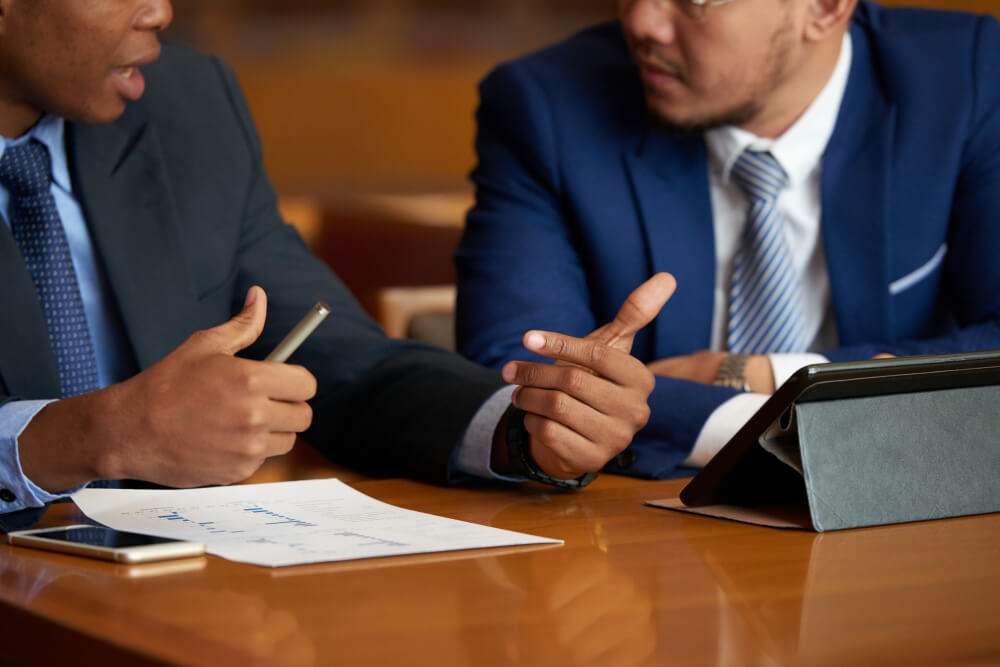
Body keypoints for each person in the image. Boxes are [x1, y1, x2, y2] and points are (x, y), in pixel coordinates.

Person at [0, 0, 675, 532]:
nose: (161, 10)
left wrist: (526, 427)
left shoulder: (186, 104)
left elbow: (349, 363)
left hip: (175, 600)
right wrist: (97, 434)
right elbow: (113, 431)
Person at [456, 0, 1000, 479]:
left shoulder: (967, 77)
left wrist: (764, 376)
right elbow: (517, 376)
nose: (641, 20)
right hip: (642, 534)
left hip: (905, 518)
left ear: (827, 8)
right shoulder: (546, 104)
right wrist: (782, 427)